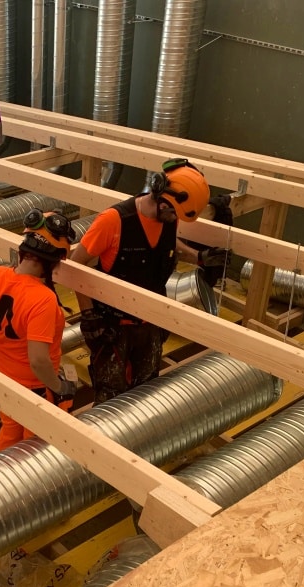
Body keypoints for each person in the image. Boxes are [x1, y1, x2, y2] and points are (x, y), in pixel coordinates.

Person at [70, 156, 228, 403]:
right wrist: (88, 315)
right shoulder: (114, 221)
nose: (175, 220)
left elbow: (167, 242)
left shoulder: (169, 217)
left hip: (151, 319)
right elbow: (75, 266)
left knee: (147, 391)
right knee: (110, 394)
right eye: (174, 214)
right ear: (163, 202)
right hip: (113, 325)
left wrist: (198, 257)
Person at [0, 208, 78, 452]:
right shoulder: (43, 299)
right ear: (53, 261)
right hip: (36, 390)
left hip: (5, 380)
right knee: (35, 453)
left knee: (10, 436)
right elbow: (38, 361)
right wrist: (59, 388)